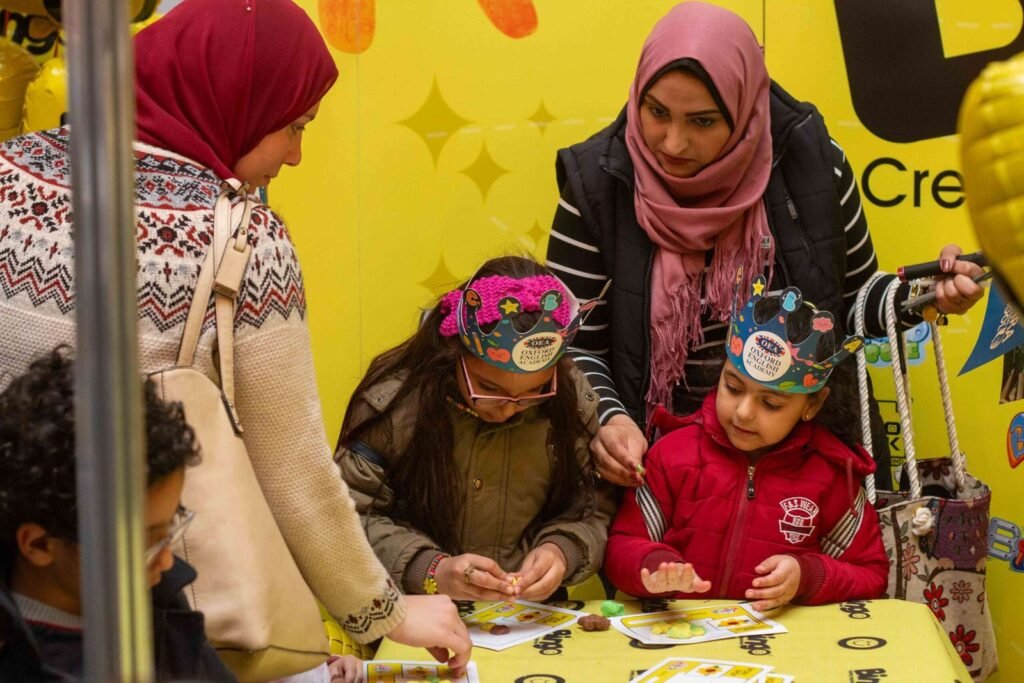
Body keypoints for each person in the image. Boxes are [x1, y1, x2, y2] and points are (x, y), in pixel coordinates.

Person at [0, 0, 470, 671]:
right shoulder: (243, 236)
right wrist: (386, 610)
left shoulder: (7, 172)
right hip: (135, 606)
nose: (297, 155)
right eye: (294, 126)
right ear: (231, 96)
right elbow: (295, 466)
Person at [545, 1, 984, 489]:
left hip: (807, 467)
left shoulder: (812, 161)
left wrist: (927, 293)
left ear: (745, 104)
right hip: (664, 474)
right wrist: (611, 419)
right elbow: (572, 340)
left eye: (703, 122)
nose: (671, 143)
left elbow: (854, 304)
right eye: (656, 112)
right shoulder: (599, 182)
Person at [336, 256, 617, 603]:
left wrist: (563, 551)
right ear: (455, 352)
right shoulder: (394, 407)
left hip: (528, 617)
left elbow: (593, 508)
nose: (510, 407)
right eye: (489, 388)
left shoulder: (569, 400)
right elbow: (346, 515)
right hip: (415, 613)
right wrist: (430, 570)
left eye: (532, 393)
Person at [604, 280, 889, 608]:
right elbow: (621, 546)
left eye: (770, 404)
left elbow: (871, 574)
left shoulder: (832, 476)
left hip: (780, 650)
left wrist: (807, 576)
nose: (743, 413)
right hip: (681, 637)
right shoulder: (672, 455)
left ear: (812, 404)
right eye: (733, 387)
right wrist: (653, 566)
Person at [0, 347, 234, 681]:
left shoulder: (155, 596)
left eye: (170, 528)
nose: (167, 561)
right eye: (145, 541)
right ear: (38, 545)